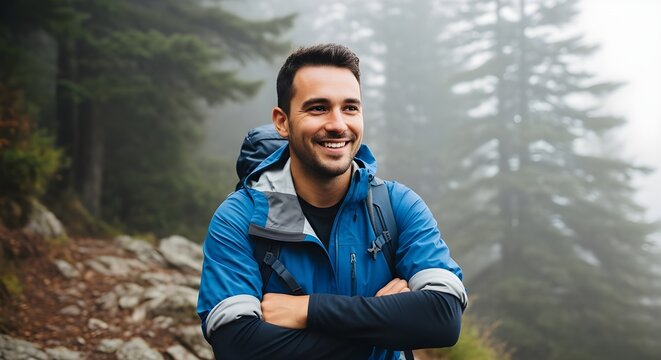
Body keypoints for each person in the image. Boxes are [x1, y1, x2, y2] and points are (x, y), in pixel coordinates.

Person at [197, 43, 467, 360]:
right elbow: (238, 346)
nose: (338, 124)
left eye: (350, 108)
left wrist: (308, 311)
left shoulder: (397, 205)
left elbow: (444, 319)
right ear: (282, 122)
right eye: (318, 108)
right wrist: (384, 325)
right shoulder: (238, 218)